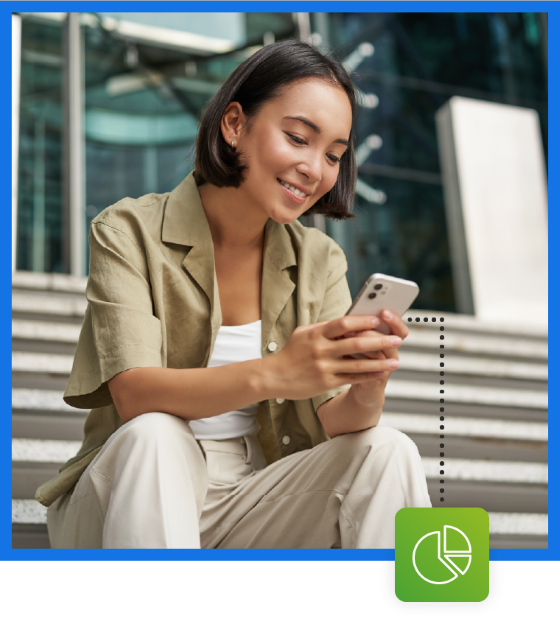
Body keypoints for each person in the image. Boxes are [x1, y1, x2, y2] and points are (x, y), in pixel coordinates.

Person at [37, 39, 431, 549]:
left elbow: (340, 421)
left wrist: (367, 382)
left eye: (334, 154)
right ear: (234, 124)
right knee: (158, 434)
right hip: (129, 486)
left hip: (254, 494)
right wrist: (276, 373)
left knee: (389, 449)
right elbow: (133, 395)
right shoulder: (127, 228)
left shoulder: (321, 259)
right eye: (297, 137)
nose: (315, 169)